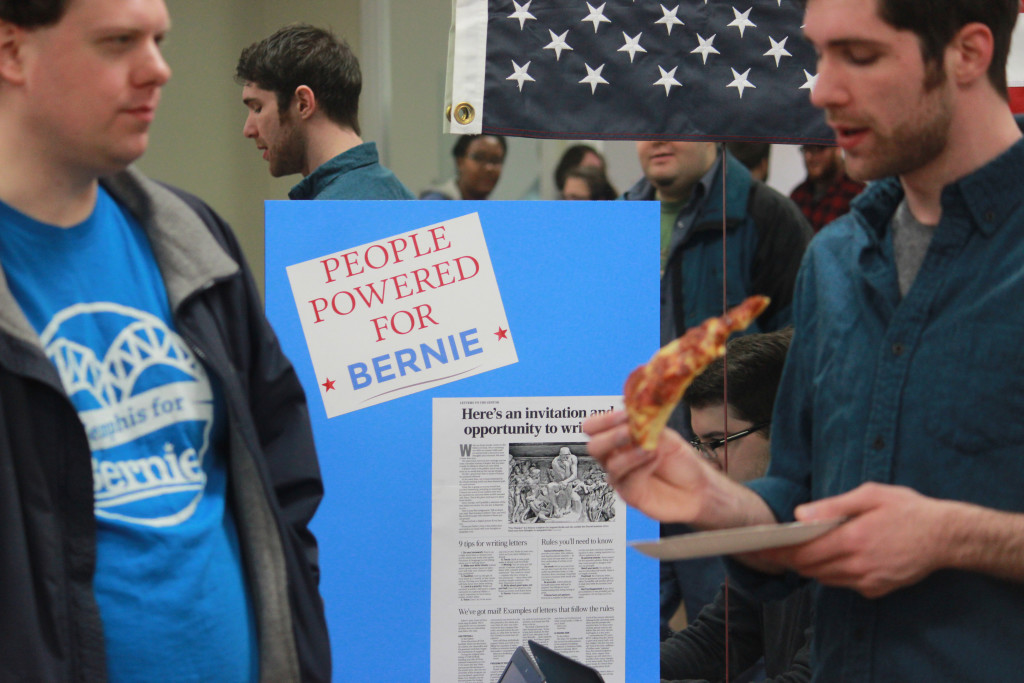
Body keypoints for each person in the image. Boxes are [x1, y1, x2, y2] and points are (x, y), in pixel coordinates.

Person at [587, 0, 1024, 679]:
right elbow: (800, 495)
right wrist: (719, 501)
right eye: (820, 54)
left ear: (969, 54)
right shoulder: (836, 260)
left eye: (861, 55)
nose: (820, 89)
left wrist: (953, 537)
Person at [0, 1, 330, 680]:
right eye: (118, 41)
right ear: (12, 52)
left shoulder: (192, 240)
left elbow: (282, 477)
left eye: (158, 39)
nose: (157, 70)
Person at [660, 329, 813, 683]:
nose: (706, 463)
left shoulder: (842, 526)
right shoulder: (765, 527)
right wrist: (621, 672)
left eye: (718, 442)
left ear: (785, 430)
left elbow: (813, 675)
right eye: (699, 443)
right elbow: (718, 639)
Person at [237, 23, 414, 201]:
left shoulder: (326, 217)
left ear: (304, 104)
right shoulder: (401, 198)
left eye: (258, 108)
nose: (248, 130)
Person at [788, 144, 865, 232]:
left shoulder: (857, 194)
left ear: (838, 148)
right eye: (806, 149)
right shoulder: (798, 194)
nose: (808, 156)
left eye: (818, 149)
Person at [420, 134, 506, 200]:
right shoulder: (436, 204)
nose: (489, 168)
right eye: (479, 158)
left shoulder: (495, 213)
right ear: (460, 161)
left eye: (495, 160)